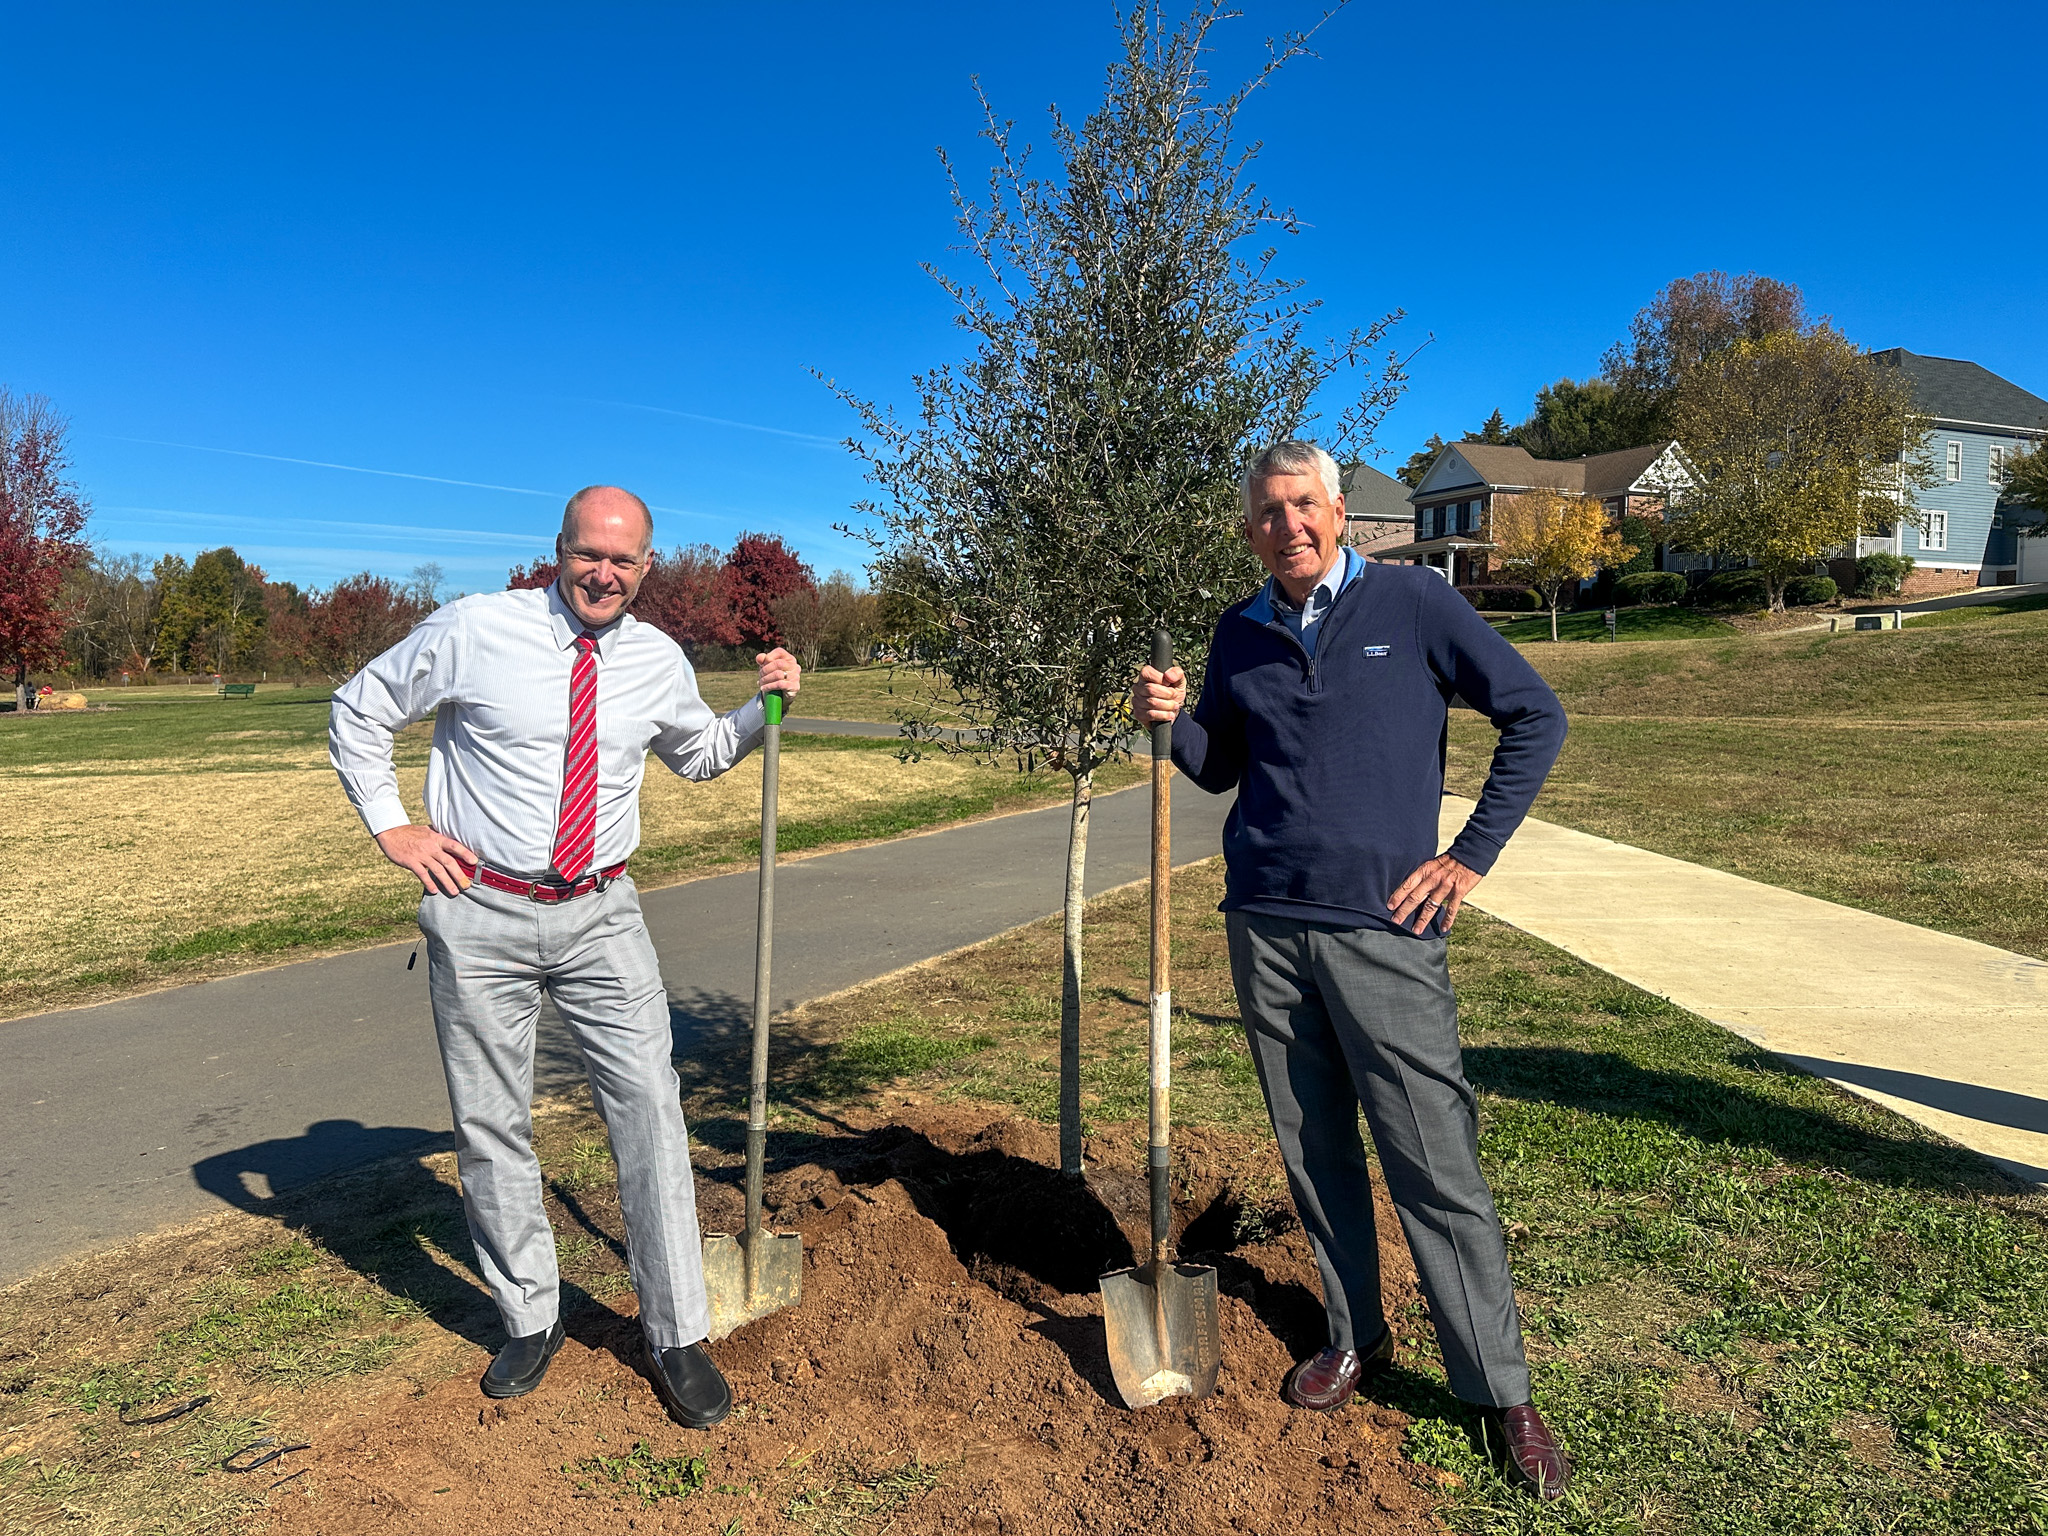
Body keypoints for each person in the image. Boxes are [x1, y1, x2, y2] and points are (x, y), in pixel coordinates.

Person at [1130, 441, 1573, 1500]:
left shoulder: (1415, 605)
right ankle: (1352, 1332)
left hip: (1383, 926)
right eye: (1267, 514)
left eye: (1304, 506)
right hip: (1265, 923)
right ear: (1248, 532)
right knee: (1310, 1142)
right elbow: (1222, 768)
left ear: (1339, 511)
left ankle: (1497, 1388)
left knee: (1431, 1153)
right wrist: (1171, 723)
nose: (1288, 526)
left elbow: (1534, 716)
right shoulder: (1238, 630)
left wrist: (1466, 859)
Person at [329, 485, 800, 1431]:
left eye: (624, 561)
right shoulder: (474, 629)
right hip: (480, 907)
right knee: (491, 1121)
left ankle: (675, 1330)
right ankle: (530, 1314)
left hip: (602, 913)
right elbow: (359, 707)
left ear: (647, 568)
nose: (605, 574)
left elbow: (699, 755)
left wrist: (761, 707)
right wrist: (393, 828)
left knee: (651, 1112)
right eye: (590, 554)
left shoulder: (657, 657)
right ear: (559, 550)